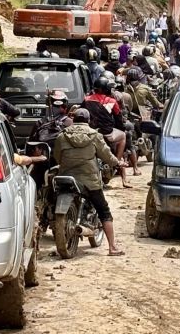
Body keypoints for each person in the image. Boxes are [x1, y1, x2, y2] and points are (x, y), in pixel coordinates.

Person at [53, 108, 124, 256]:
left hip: (67, 178)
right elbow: (106, 155)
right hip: (89, 181)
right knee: (104, 211)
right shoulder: (95, 135)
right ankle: (112, 247)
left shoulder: (62, 136)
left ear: (74, 119)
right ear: (88, 120)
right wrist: (117, 162)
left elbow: (57, 156)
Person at [83, 76, 131, 188]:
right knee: (123, 135)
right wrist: (121, 128)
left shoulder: (86, 99)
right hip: (107, 132)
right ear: (107, 89)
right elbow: (119, 119)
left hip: (91, 132)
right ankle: (117, 162)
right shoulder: (112, 101)